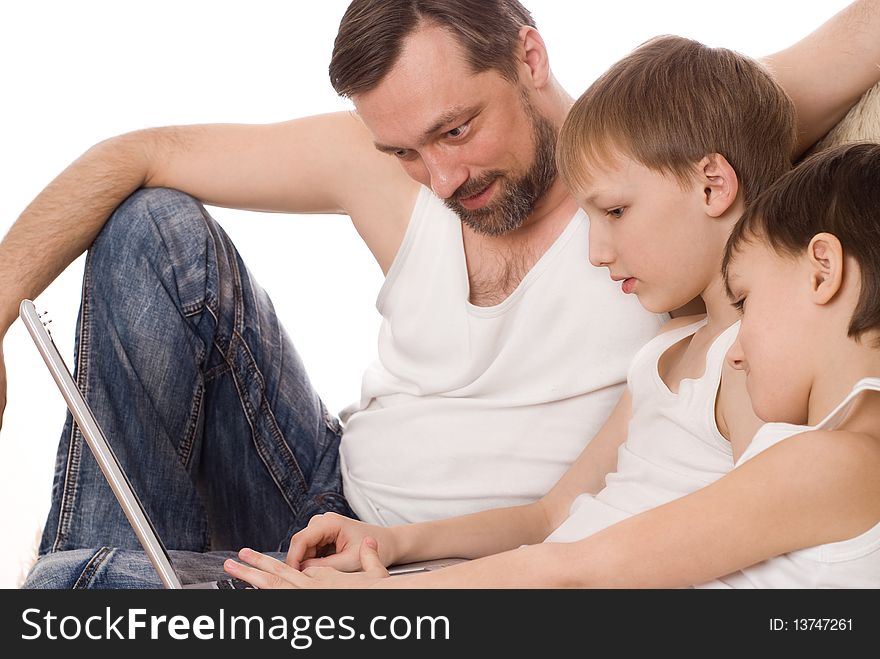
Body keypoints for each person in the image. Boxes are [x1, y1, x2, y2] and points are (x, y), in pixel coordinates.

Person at [9, 1, 880, 588]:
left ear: (529, 56)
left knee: (74, 591)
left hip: (466, 573)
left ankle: (100, 594)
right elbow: (135, 153)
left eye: (457, 129)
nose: (441, 175)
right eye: (406, 152)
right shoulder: (393, 168)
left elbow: (852, 41)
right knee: (152, 228)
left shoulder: (667, 145)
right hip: (335, 507)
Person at [222, 61, 880, 591]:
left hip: (535, 588)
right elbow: (550, 518)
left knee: (153, 594)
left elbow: (583, 570)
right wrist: (395, 544)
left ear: (713, 186)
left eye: (616, 211)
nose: (595, 252)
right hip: (516, 578)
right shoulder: (670, 345)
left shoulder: (762, 370)